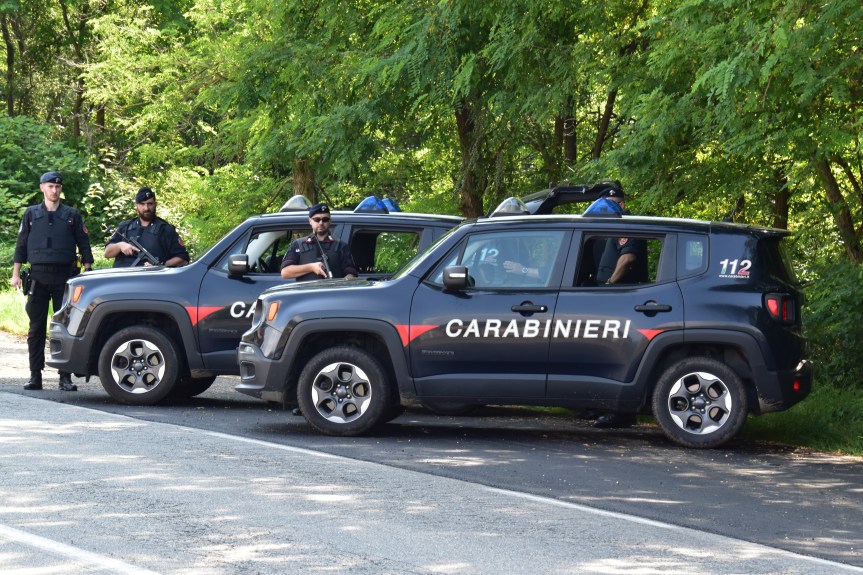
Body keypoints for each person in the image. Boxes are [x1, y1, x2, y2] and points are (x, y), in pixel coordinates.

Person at [11, 171, 94, 391]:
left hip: (64, 278)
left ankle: (64, 377)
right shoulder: (31, 214)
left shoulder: (71, 215)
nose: (54, 190)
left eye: (57, 187)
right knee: (36, 328)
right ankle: (35, 375)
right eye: (50, 186)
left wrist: (87, 270)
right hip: (38, 277)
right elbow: (21, 245)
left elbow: (83, 243)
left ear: (61, 189)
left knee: (64, 328)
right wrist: (15, 274)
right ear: (42, 188)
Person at [591, 186, 647, 428]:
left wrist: (609, 284)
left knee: (616, 355)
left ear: (621, 205)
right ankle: (594, 405)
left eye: (609, 202)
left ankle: (620, 412)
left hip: (621, 298)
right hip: (608, 297)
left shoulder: (626, 226)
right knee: (600, 352)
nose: (603, 208)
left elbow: (627, 258)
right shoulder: (606, 227)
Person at [104, 187, 189, 268]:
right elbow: (107, 253)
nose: (146, 208)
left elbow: (183, 258)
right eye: (142, 204)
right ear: (137, 205)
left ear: (155, 204)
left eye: (150, 204)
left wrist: (161, 266)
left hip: (149, 277)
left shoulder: (165, 229)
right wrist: (120, 245)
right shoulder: (125, 227)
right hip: (122, 276)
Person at [280, 202, 358, 281]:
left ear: (330, 221)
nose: (321, 223)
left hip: (332, 288)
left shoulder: (341, 246)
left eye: (325, 219)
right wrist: (311, 267)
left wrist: (342, 282)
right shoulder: (298, 245)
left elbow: (351, 273)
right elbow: (285, 272)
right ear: (310, 221)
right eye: (317, 219)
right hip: (307, 289)